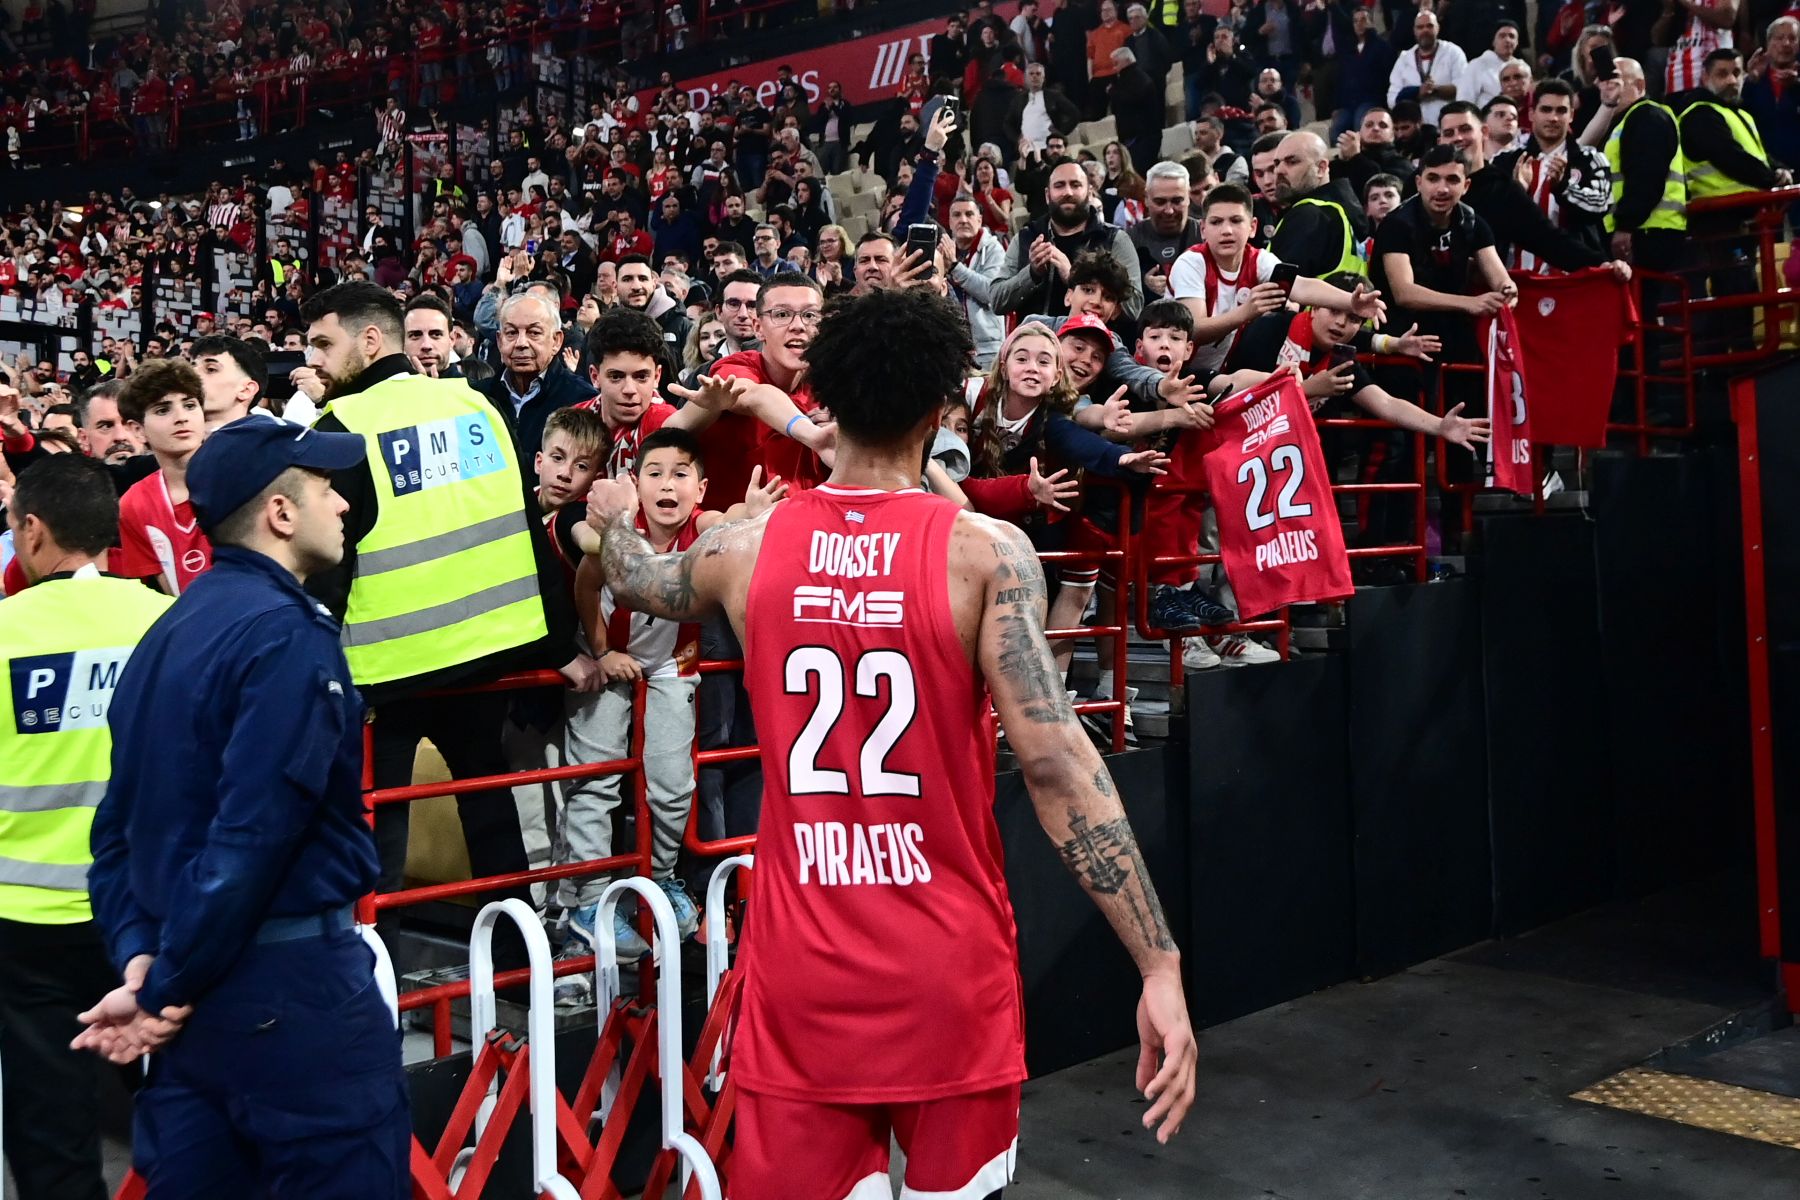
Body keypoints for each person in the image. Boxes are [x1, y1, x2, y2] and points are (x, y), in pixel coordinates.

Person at [579, 286, 1197, 1199]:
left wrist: (608, 510)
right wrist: (1158, 962)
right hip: (948, 966)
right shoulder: (985, 553)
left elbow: (640, 578)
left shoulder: (745, 547)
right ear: (941, 410)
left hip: (803, 971)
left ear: (826, 402)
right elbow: (1056, 763)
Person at [82, 416, 410, 1197]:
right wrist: (163, 986)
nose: (343, 505)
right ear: (280, 513)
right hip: (291, 997)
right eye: (325, 488)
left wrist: (145, 961)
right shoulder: (287, 638)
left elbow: (114, 833)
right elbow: (252, 839)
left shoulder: (166, 632)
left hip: (194, 1002)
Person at [300, 282, 581, 914]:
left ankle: (380, 965)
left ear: (371, 340)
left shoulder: (340, 428)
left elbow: (326, 570)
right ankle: (515, 955)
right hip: (491, 652)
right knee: (491, 815)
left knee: (381, 835)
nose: (314, 359)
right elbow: (525, 527)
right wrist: (560, 644)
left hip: (389, 670)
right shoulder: (476, 404)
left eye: (323, 343)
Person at [0, 456, 172, 1200]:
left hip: (26, 920)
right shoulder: (167, 621)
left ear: (33, 531)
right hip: (154, 909)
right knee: (186, 1100)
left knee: (50, 1129)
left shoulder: (4, 631)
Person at [991, 158, 1146, 318]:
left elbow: (1134, 307)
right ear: (1047, 195)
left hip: (1093, 334)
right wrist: (1031, 273)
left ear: (1089, 192)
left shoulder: (1115, 239)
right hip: (1037, 333)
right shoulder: (1026, 237)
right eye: (1059, 186)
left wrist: (1075, 278)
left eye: (1075, 185)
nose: (1068, 192)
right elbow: (996, 301)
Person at [1490, 79, 1612, 273]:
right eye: (1546, 110)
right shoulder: (1504, 161)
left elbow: (1600, 206)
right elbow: (1491, 217)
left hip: (1576, 276)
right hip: (1515, 275)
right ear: (1531, 114)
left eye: (1561, 111)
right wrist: (1518, 190)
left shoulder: (1590, 159)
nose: (1553, 118)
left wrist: (1563, 188)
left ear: (1571, 115)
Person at [113, 359, 213, 596]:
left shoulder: (243, 475)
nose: (181, 417)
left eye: (189, 405)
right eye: (163, 410)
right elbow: (174, 596)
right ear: (137, 430)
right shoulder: (134, 504)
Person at [475, 289, 601, 461]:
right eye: (511, 333)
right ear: (499, 340)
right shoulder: (477, 398)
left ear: (556, 341)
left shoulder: (582, 401)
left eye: (534, 333)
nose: (521, 343)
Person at [1268, 132, 1372, 279]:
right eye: (1277, 163)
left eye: (1292, 162)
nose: (1279, 170)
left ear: (1321, 168)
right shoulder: (1345, 208)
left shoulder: (1309, 215)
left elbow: (1281, 286)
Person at [1130, 160, 1206, 298]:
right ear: (1146, 198)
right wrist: (1140, 284)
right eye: (1160, 202)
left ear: (1188, 197)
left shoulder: (1205, 235)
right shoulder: (1130, 240)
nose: (1169, 210)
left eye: (1177, 201)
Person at [1388, 11, 1467, 127]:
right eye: (1420, 27)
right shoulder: (1404, 59)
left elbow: (1464, 89)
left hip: (1447, 124)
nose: (1425, 30)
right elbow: (1392, 99)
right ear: (1414, 31)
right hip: (1414, 128)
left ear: (1438, 28)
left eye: (1429, 26)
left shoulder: (1453, 52)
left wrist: (1435, 90)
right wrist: (1416, 92)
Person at [191, 335, 266, 428]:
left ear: (246, 390)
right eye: (191, 368)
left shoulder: (274, 435)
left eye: (211, 369)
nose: (191, 374)